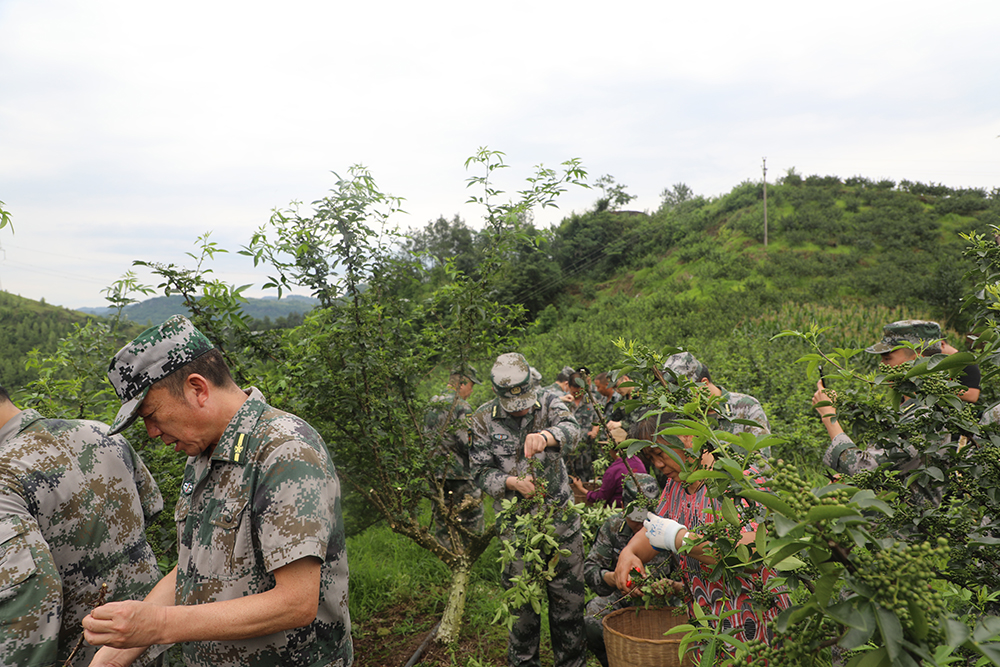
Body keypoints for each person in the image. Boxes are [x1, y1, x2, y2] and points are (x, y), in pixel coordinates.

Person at [82, 315, 352, 667]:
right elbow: (193, 567)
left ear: (197, 388)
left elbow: (296, 602)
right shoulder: (204, 453)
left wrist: (160, 625)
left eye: (151, 414)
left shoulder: (284, 450)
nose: (151, 432)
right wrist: (112, 659)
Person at [0, 384, 162, 667]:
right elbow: (152, 506)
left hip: (83, 652)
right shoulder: (101, 431)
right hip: (146, 637)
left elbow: (28, 601)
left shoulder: (5, 473)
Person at [613, 415, 790, 651]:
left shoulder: (736, 478)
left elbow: (752, 556)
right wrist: (630, 552)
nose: (658, 464)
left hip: (756, 626)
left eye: (660, 453)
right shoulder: (677, 485)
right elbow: (655, 529)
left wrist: (680, 539)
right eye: (651, 458)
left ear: (687, 437)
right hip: (710, 628)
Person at [469, 352, 586, 667]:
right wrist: (511, 482)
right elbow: (479, 471)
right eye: (513, 404)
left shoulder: (548, 402)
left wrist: (548, 436)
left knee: (569, 612)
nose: (520, 409)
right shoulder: (482, 420)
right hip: (517, 534)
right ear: (497, 393)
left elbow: (573, 429)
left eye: (523, 401)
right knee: (522, 617)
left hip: (561, 528)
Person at [814, 319, 960, 475]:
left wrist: (828, 415)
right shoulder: (905, 406)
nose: (881, 365)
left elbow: (864, 469)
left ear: (917, 359)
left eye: (887, 358)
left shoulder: (924, 415)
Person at [583, 473, 672, 667]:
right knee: (592, 618)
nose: (641, 526)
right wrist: (613, 578)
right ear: (624, 507)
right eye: (636, 520)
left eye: (646, 519)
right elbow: (590, 570)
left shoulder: (668, 529)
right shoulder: (613, 527)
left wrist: (672, 586)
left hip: (664, 603)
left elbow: (690, 576)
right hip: (622, 599)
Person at [663, 352, 772, 457]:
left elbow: (762, 458)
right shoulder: (684, 416)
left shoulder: (746, 406)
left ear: (704, 384)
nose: (684, 400)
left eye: (688, 393)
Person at [426, 365, 484, 549]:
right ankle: (469, 554)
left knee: (443, 517)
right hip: (459, 474)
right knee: (471, 515)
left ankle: (448, 555)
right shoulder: (461, 406)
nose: (471, 391)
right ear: (463, 383)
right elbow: (466, 442)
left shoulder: (432, 403)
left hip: (435, 472)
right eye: (471, 385)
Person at [569, 426, 646, 507]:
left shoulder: (613, 470)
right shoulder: (637, 461)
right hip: (639, 506)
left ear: (610, 448)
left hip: (619, 509)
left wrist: (581, 489)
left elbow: (601, 498)